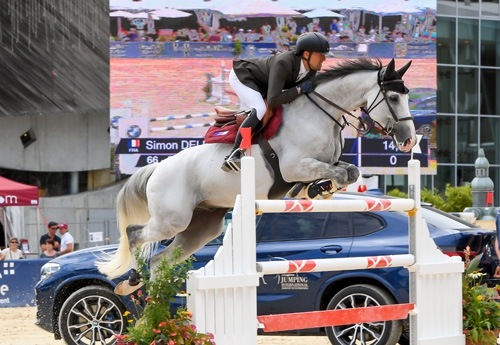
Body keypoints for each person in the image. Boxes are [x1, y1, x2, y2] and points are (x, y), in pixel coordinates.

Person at [221, 32, 330, 172]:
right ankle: (235, 153)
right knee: (260, 108)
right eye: (320, 54)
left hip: (263, 82)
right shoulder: (284, 62)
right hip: (243, 76)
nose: (324, 58)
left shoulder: (311, 70)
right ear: (307, 54)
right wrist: (298, 89)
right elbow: (274, 100)